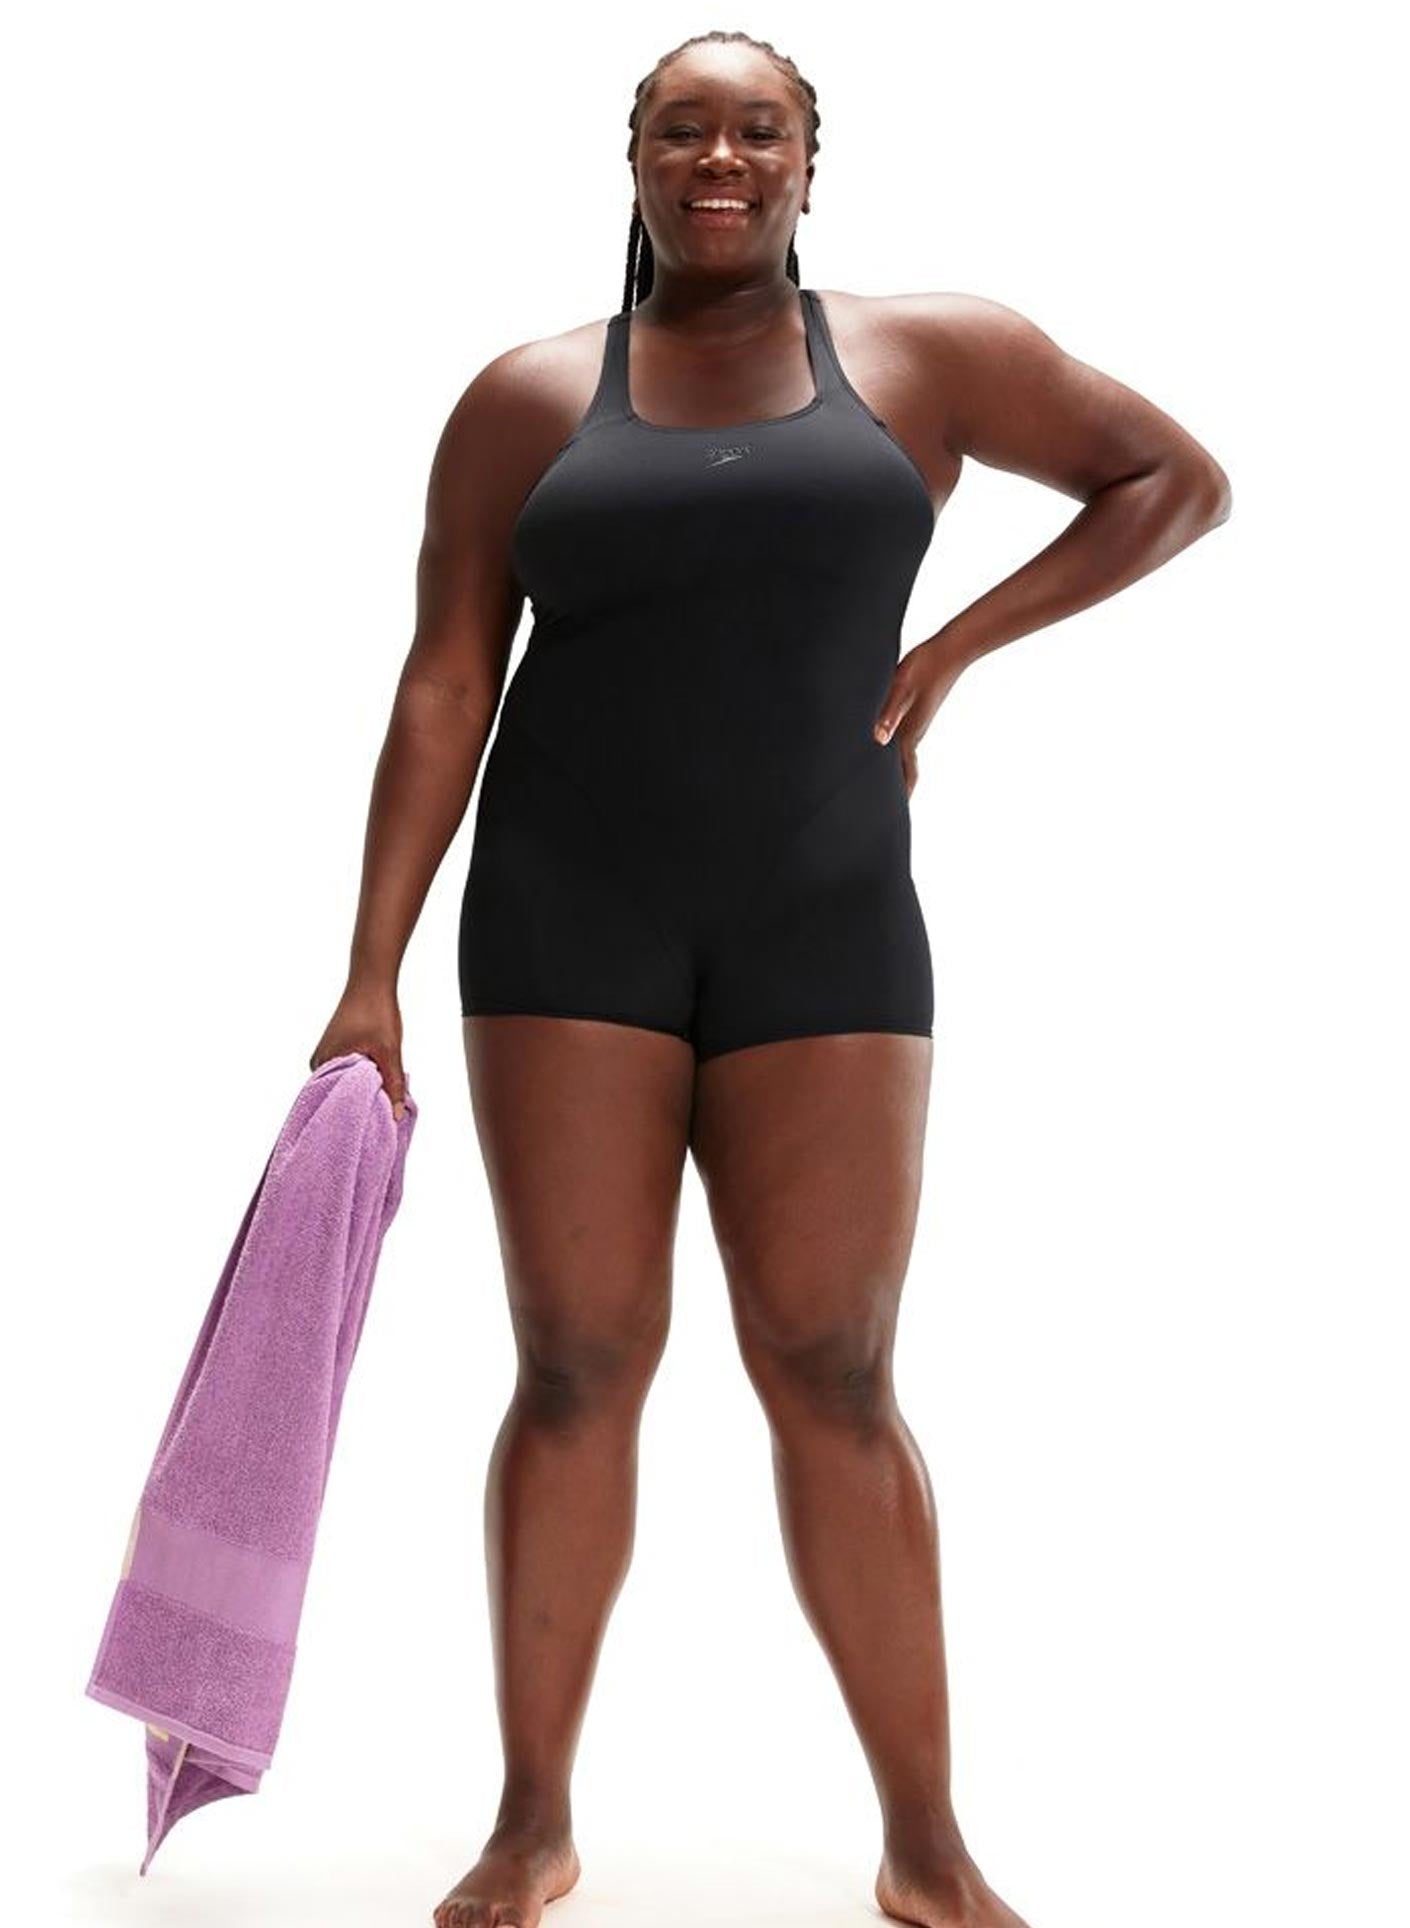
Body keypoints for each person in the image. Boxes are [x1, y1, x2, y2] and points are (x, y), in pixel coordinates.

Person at [308, 30, 1231, 1928]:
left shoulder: (922, 354)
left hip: (824, 919)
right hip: (566, 921)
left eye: (757, 130)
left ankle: (927, 1846)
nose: (717, 158)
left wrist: (952, 649)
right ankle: (531, 1823)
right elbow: (445, 681)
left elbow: (1171, 480)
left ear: (810, 161)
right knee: (574, 1362)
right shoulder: (526, 397)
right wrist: (367, 971)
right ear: (632, 157)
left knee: (835, 1364)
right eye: (682, 129)